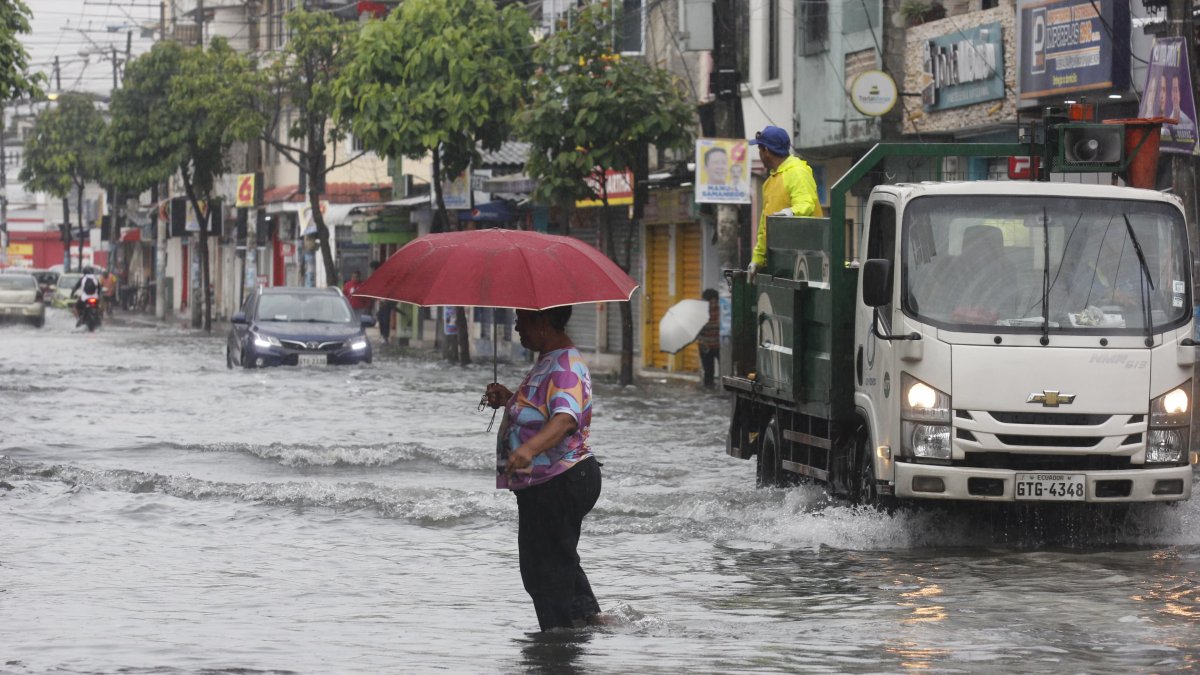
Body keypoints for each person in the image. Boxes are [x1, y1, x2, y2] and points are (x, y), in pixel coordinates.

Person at [483, 305, 603, 631]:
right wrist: (509, 399)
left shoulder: (565, 365)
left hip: (561, 480)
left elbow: (565, 420)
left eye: (522, 319)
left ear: (544, 322)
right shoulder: (547, 361)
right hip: (546, 483)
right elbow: (540, 410)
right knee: (557, 559)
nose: (517, 326)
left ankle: (557, 646)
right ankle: (587, 623)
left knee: (543, 571)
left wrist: (527, 450)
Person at [747, 126, 823, 280]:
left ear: (766, 151)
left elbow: (806, 203)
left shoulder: (797, 172)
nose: (759, 154)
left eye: (759, 149)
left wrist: (790, 213)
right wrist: (757, 259)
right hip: (783, 264)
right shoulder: (770, 182)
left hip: (807, 263)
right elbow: (765, 227)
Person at [368, 260, 395, 344]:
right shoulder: (378, 275)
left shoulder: (383, 276)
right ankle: (383, 335)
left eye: (372, 269)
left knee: (384, 319)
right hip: (380, 301)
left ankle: (385, 336)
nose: (371, 271)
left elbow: (386, 288)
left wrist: (384, 300)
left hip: (385, 301)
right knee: (381, 317)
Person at [698, 288, 720, 388]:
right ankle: (710, 387)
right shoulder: (701, 313)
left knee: (720, 370)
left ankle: (714, 388)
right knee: (709, 370)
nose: (714, 304)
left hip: (716, 346)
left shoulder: (721, 312)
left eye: (715, 302)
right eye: (711, 302)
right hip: (707, 346)